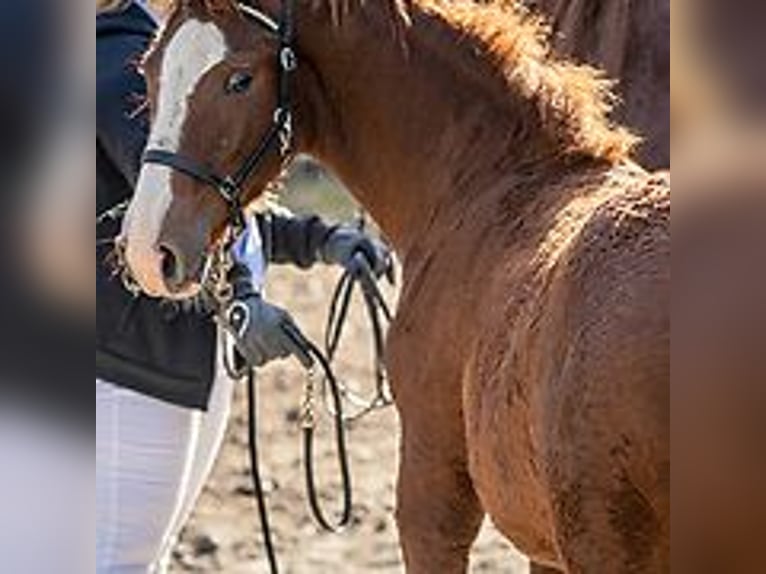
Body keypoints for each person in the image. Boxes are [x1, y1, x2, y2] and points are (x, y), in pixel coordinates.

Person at [96, 1, 391, 572]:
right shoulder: (122, 53)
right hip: (135, 365)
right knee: (121, 559)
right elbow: (171, 218)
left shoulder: (180, 43)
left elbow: (217, 200)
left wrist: (319, 241)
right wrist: (240, 302)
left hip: (180, 363)